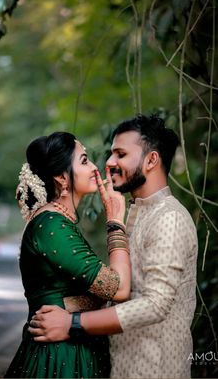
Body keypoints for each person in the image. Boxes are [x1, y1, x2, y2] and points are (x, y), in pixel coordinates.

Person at [29, 114, 198, 379]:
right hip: (120, 365)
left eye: (120, 154)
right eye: (110, 153)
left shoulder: (169, 218)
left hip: (154, 368)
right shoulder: (134, 213)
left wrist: (72, 324)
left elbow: (155, 304)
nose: (108, 162)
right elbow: (120, 291)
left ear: (151, 160)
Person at [4, 131, 131, 378]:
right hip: (58, 357)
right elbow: (118, 289)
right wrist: (115, 222)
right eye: (84, 160)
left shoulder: (60, 221)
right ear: (62, 177)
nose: (95, 167)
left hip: (72, 346)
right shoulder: (52, 226)